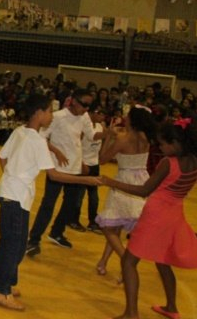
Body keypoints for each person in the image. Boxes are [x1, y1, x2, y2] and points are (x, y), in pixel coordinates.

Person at [0, 94, 102, 311]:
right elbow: (54, 175)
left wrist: (11, 176)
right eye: (49, 111)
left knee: (9, 242)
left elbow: (2, 157)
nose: (51, 116)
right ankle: (1, 290)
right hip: (17, 197)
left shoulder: (20, 132)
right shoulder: (38, 140)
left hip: (9, 192)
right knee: (15, 245)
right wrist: (86, 180)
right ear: (39, 113)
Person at [101, 119, 197, 319]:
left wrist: (110, 182)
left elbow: (144, 190)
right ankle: (171, 307)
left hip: (156, 214)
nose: (160, 148)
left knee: (129, 262)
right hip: (175, 214)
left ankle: (130, 314)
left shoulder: (169, 163)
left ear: (176, 143)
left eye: (163, 144)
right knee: (163, 260)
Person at [26, 88, 96, 256]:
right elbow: (41, 137)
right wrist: (56, 151)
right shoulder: (58, 116)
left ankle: (57, 232)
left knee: (70, 204)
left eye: (89, 106)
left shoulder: (84, 117)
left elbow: (89, 137)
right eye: (84, 104)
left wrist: (83, 160)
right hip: (57, 167)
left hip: (75, 168)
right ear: (74, 101)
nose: (86, 109)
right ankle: (34, 239)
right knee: (48, 204)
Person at [94, 107, 154, 276]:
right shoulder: (146, 138)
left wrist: (109, 137)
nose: (125, 118)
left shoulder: (123, 138)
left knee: (109, 225)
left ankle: (126, 261)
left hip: (124, 181)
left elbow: (102, 159)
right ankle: (103, 262)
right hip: (142, 179)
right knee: (116, 224)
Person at [68, 102, 106, 233]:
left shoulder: (100, 127)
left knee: (94, 195)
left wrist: (101, 157)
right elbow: (76, 145)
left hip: (94, 164)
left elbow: (102, 143)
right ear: (91, 113)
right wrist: (80, 162)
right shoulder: (84, 127)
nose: (102, 116)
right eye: (99, 113)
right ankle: (73, 219)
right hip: (83, 164)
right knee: (79, 194)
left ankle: (92, 221)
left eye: (103, 114)